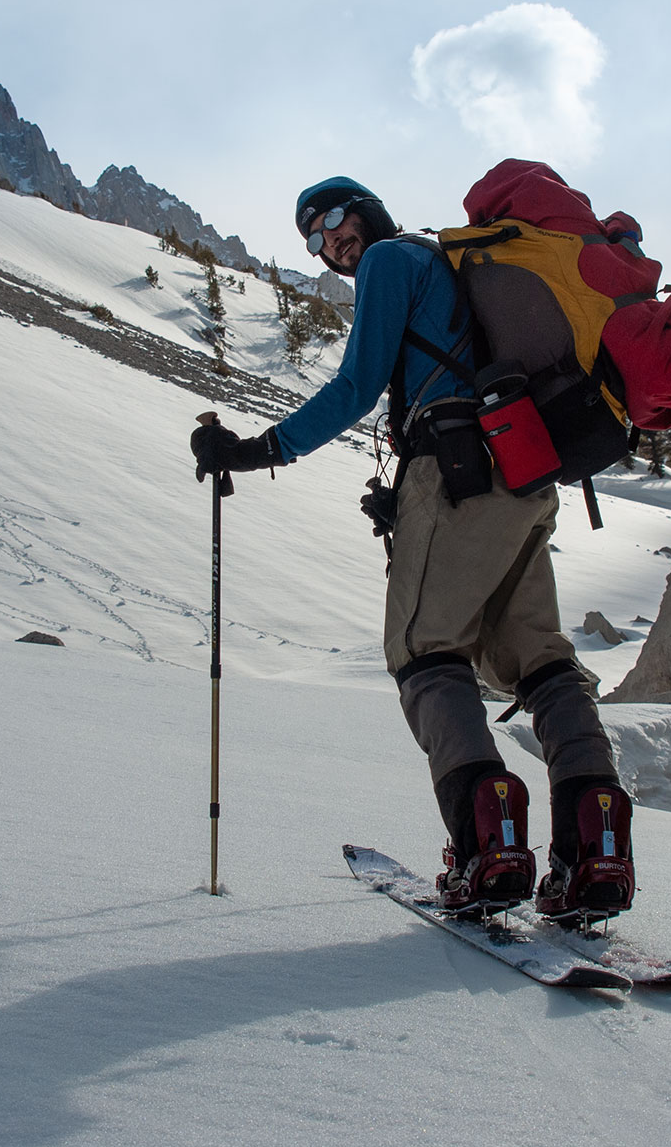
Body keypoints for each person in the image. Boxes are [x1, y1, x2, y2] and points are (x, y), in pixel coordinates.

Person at [190, 177, 635, 925]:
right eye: (314, 238)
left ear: (365, 209)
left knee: (424, 650)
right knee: (540, 661)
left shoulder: (392, 261)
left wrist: (259, 449)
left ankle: (486, 847)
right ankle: (596, 853)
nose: (329, 240)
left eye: (334, 219)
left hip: (458, 466)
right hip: (521, 472)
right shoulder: (442, 270)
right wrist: (408, 497)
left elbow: (358, 386)